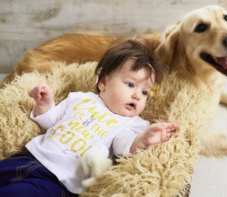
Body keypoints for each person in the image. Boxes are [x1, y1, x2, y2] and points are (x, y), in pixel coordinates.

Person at [0, 39, 180, 197]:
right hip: (29, 157)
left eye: (145, 92)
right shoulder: (80, 98)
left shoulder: (133, 123)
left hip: (58, 181)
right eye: (130, 84)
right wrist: (45, 104)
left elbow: (124, 147)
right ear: (103, 82)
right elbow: (51, 122)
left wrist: (144, 139)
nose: (137, 95)